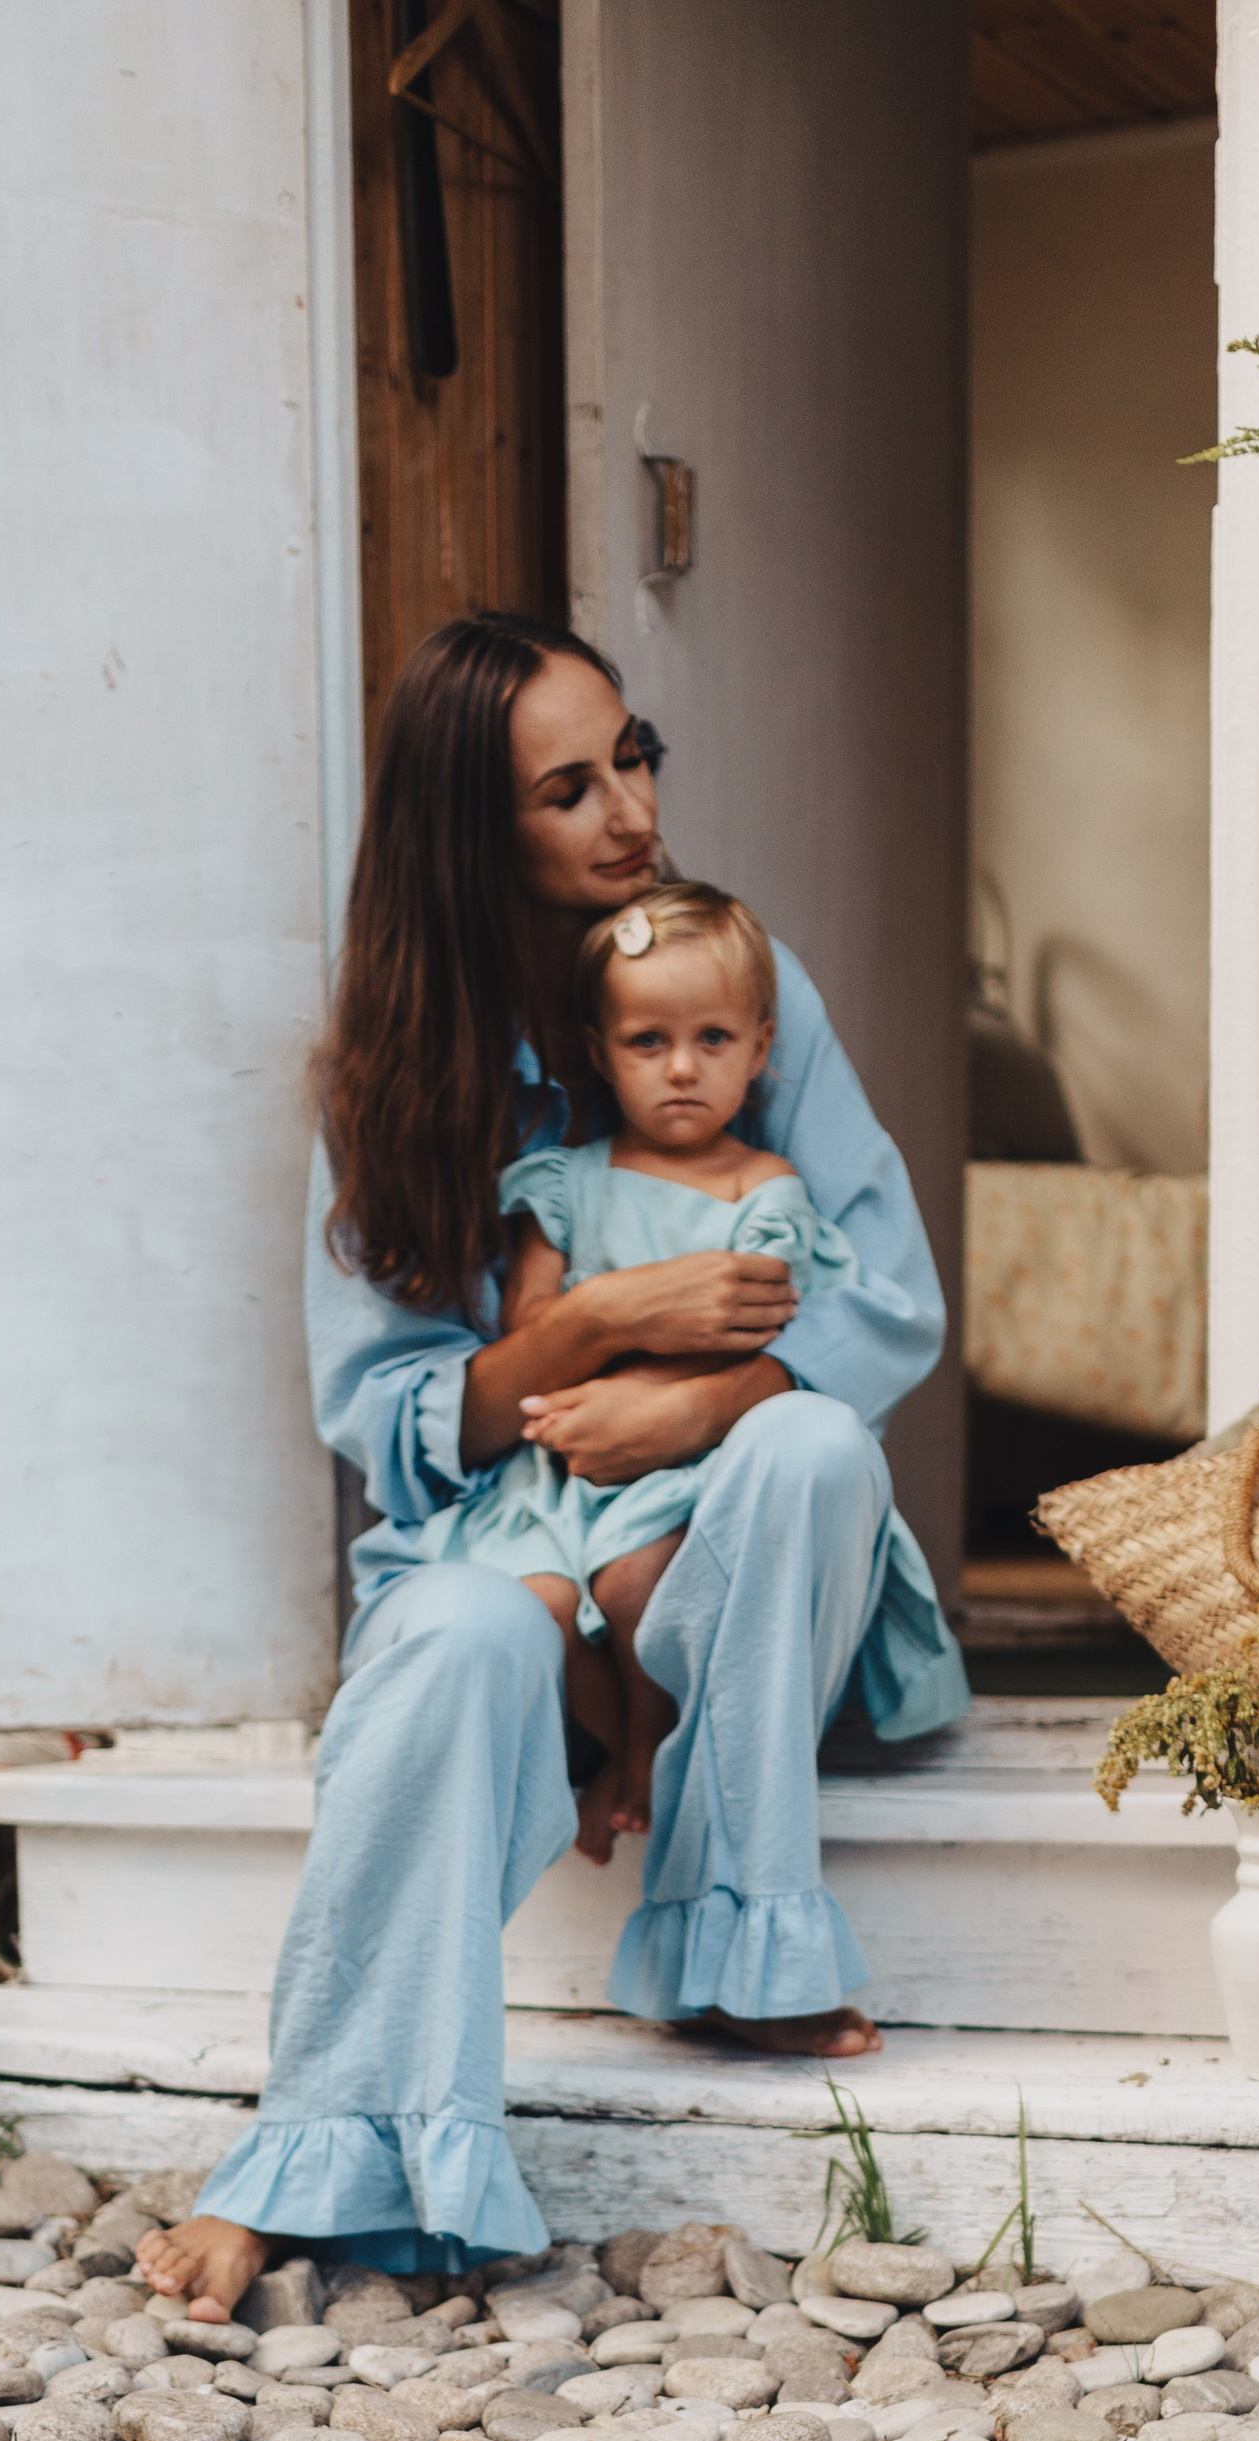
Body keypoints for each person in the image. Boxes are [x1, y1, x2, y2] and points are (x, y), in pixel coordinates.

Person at [137, 614, 967, 2320]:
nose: (630, 811)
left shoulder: (739, 983)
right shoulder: (396, 1074)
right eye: (568, 789)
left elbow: (888, 1299)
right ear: (473, 833)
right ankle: (327, 2146)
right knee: (447, 1643)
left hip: (712, 1551)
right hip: (513, 1532)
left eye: (634, 756)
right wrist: (599, 1332)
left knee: (811, 1440)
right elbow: (383, 1418)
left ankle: (746, 1941)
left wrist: (702, 1401)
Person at [406, 876, 943, 1861]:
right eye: (648, 1043)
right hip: (556, 1481)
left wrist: (633, 1345)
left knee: (636, 1591)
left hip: (682, 1469)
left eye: (712, 1041)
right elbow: (533, 1324)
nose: (682, 1070)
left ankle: (649, 1754)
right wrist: (630, 1315)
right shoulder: (566, 1183)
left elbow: (751, 1330)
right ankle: (614, 1748)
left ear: (761, 1048)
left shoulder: (766, 1188)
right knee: (538, 1609)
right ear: (600, 1053)